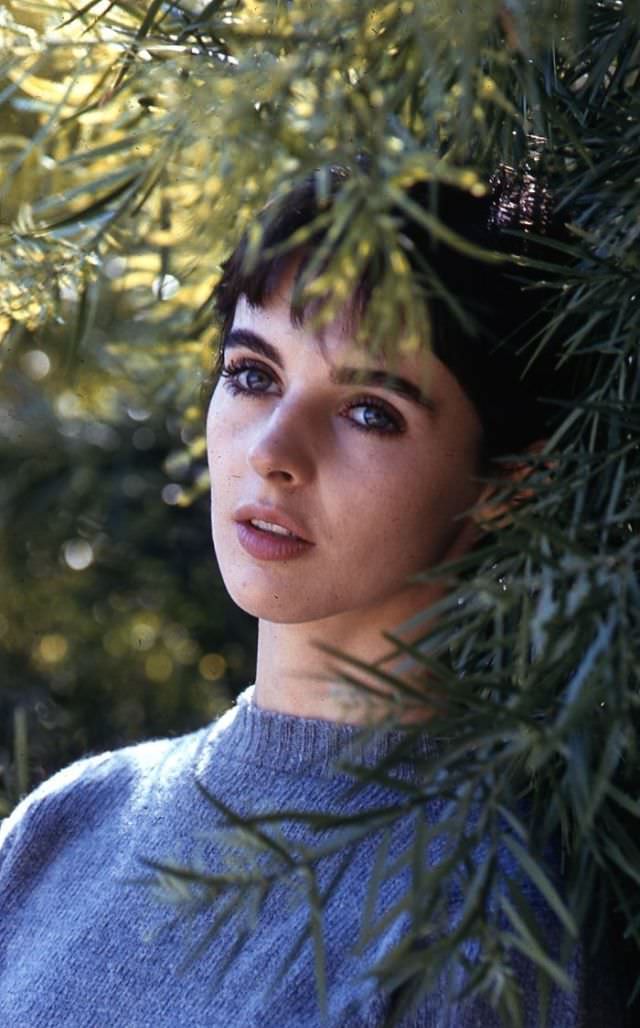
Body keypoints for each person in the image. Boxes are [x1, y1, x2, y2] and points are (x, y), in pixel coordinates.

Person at [0, 164, 625, 1027]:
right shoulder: (63, 828)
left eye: (370, 410)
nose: (271, 450)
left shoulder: (483, 917)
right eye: (254, 374)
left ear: (512, 484)